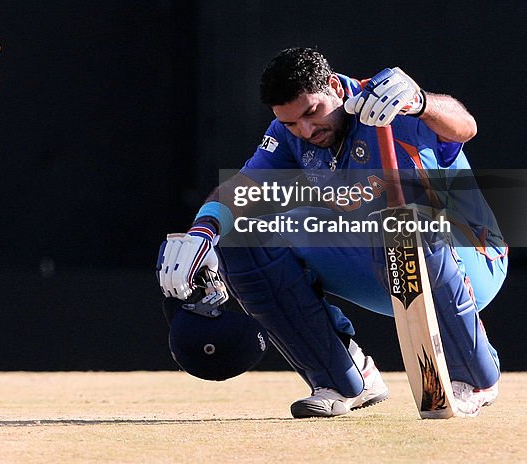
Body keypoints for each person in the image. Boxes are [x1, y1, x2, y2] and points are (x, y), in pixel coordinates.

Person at [157, 47, 507, 418]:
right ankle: (344, 380)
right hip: (380, 262)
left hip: (469, 257)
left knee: (405, 221)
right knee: (241, 236)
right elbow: (243, 189)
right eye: (291, 123)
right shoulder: (290, 134)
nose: (306, 131)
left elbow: (466, 126)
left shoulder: (391, 100)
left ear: (333, 87)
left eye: (311, 113)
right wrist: (202, 231)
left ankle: (473, 376)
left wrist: (421, 102)